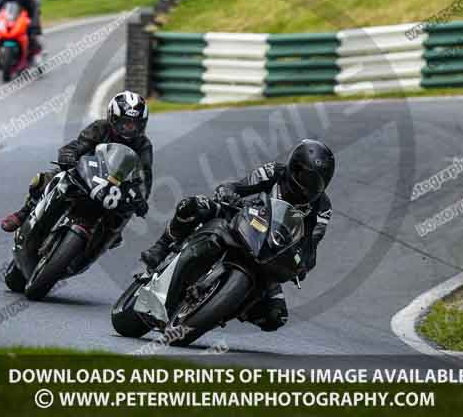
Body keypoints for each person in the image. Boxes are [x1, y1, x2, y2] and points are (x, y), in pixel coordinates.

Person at [141, 139, 335, 332]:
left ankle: (227, 306)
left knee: (275, 316)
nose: (309, 186)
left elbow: (311, 243)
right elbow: (240, 186)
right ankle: (162, 245)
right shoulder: (275, 172)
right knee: (193, 206)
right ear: (294, 167)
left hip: (271, 253)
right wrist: (228, 192)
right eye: (307, 178)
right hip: (242, 221)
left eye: (317, 182)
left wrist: (303, 264)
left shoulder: (322, 209)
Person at [1, 91, 152, 232]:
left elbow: (145, 176)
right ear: (114, 118)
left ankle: (104, 239)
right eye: (125, 122)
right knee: (43, 180)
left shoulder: (143, 145)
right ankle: (23, 213)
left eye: (134, 124)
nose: (129, 128)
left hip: (116, 189)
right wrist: (69, 155)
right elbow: (79, 145)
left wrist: (141, 199)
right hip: (87, 173)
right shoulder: (100, 127)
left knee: (122, 220)